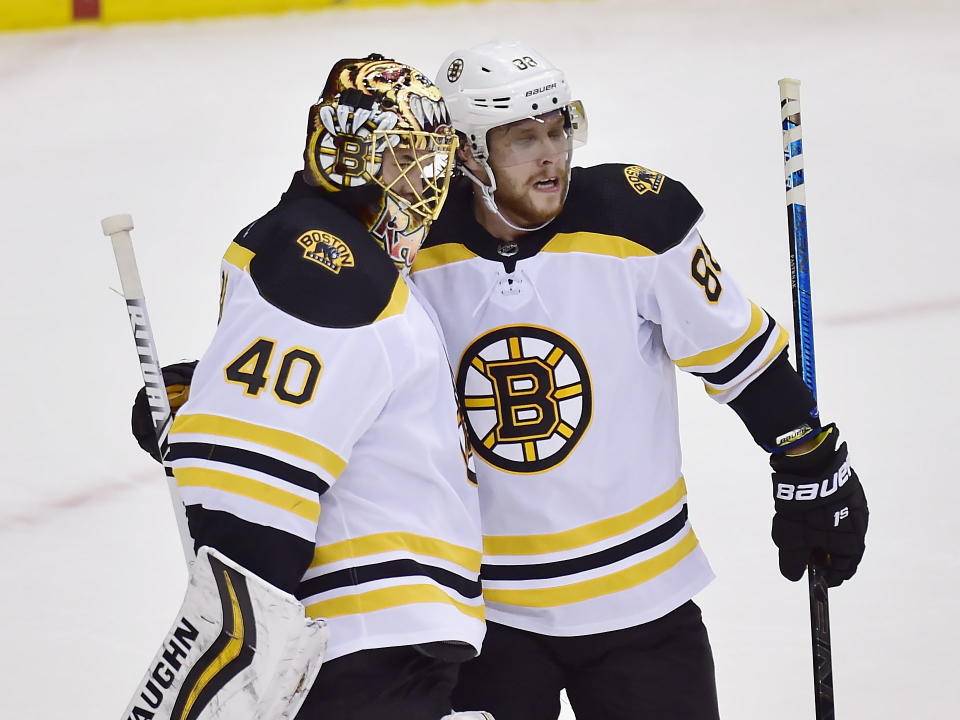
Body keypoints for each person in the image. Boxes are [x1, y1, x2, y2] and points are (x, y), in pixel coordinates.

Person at [404, 40, 869, 720]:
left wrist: (808, 455)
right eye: (524, 138)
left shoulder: (636, 222)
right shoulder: (413, 251)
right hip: (484, 612)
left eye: (559, 129)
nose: (552, 155)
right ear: (468, 152)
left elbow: (738, 359)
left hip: (642, 600)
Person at [133, 54, 489, 720]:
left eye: (431, 161)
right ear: (347, 153)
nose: (426, 184)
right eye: (402, 160)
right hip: (351, 643)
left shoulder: (341, 260)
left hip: (387, 645)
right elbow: (250, 485)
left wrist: (203, 396)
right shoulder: (323, 259)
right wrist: (239, 656)